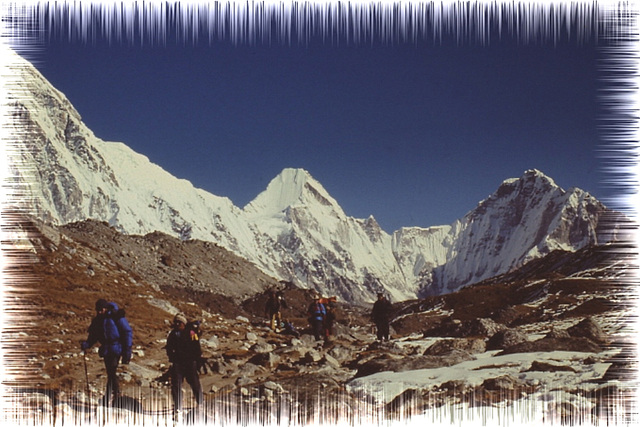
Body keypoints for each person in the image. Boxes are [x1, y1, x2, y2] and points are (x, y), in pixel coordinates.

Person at [80, 299, 133, 406]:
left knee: (112, 371)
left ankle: (111, 396)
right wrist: (87, 345)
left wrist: (127, 351)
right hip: (106, 349)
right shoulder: (98, 320)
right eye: (97, 310)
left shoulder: (115, 316)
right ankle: (114, 396)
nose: (99, 312)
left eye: (101, 309)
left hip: (116, 348)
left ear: (105, 308)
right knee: (110, 373)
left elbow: (127, 332)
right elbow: (93, 336)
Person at [166, 312, 203, 416]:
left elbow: (197, 347)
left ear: (184, 323)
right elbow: (169, 346)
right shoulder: (173, 334)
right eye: (176, 322)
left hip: (190, 363)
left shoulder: (191, 333)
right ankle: (177, 407)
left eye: (179, 322)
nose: (177, 324)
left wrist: (196, 360)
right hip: (178, 363)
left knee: (194, 383)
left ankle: (200, 403)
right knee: (176, 385)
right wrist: (171, 357)